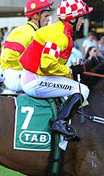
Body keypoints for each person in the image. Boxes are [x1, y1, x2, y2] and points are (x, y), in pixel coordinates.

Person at [20, 0, 93, 139]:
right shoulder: (59, 36)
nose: (83, 21)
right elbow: (48, 65)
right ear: (73, 19)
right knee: (82, 90)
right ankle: (60, 122)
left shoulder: (60, 30)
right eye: (82, 17)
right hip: (36, 80)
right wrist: (70, 71)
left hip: (35, 76)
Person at [0, 0, 54, 93]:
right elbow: (10, 57)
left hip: (23, 76)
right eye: (46, 16)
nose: (49, 19)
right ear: (35, 16)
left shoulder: (36, 33)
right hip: (16, 77)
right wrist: (31, 70)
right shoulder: (23, 31)